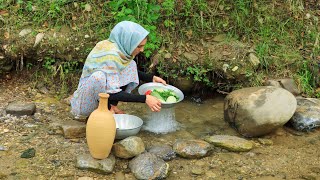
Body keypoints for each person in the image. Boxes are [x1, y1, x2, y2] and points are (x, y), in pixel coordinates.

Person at [70, 21, 166, 117]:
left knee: (131, 64)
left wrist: (151, 78)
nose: (142, 50)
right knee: (98, 77)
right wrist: (145, 99)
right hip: (85, 104)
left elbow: (124, 70)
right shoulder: (111, 55)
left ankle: (109, 106)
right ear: (127, 42)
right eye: (139, 46)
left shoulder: (119, 50)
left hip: (100, 97)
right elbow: (112, 93)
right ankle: (105, 109)